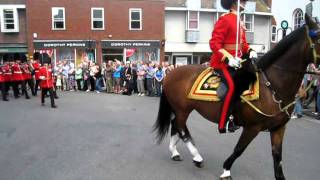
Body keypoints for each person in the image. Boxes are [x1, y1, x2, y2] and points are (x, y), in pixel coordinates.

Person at [209, 0, 257, 133]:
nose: (245, 2)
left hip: (239, 61)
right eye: (242, 1)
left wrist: (250, 50)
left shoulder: (240, 21)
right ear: (234, 2)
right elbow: (214, 43)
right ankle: (224, 121)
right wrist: (227, 58)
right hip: (222, 63)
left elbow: (243, 44)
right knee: (231, 86)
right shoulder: (225, 19)